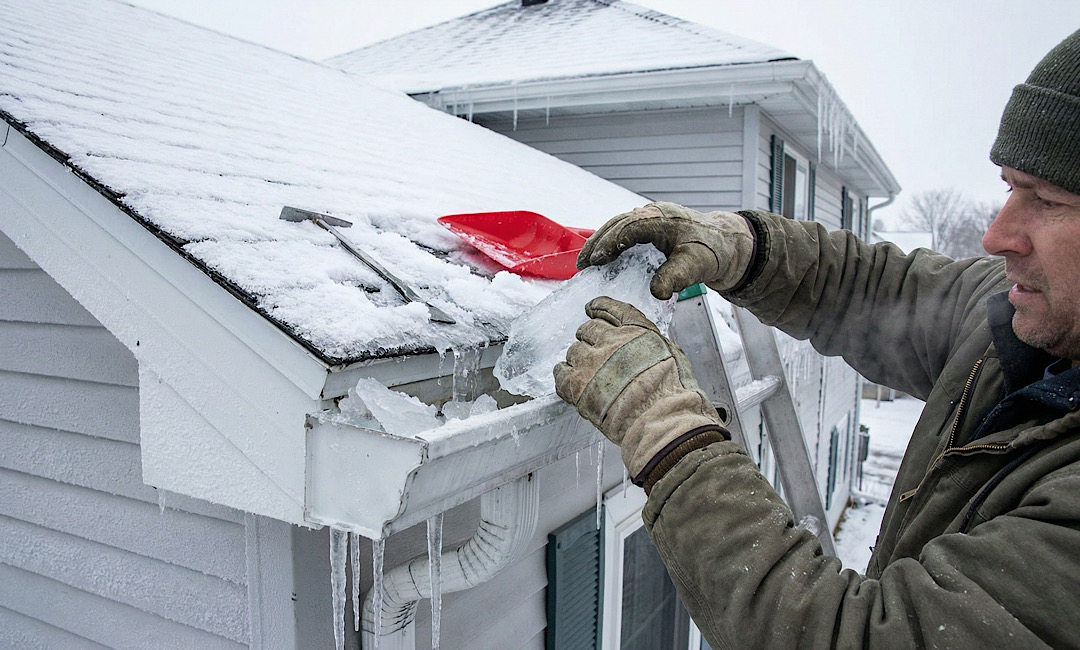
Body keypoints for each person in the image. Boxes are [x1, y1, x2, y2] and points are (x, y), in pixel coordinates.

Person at [554, 29, 1080, 648]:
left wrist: (669, 433)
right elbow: (879, 289)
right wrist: (743, 249)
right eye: (1010, 187)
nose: (998, 234)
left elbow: (847, 639)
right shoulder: (1024, 325)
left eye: (1047, 200)